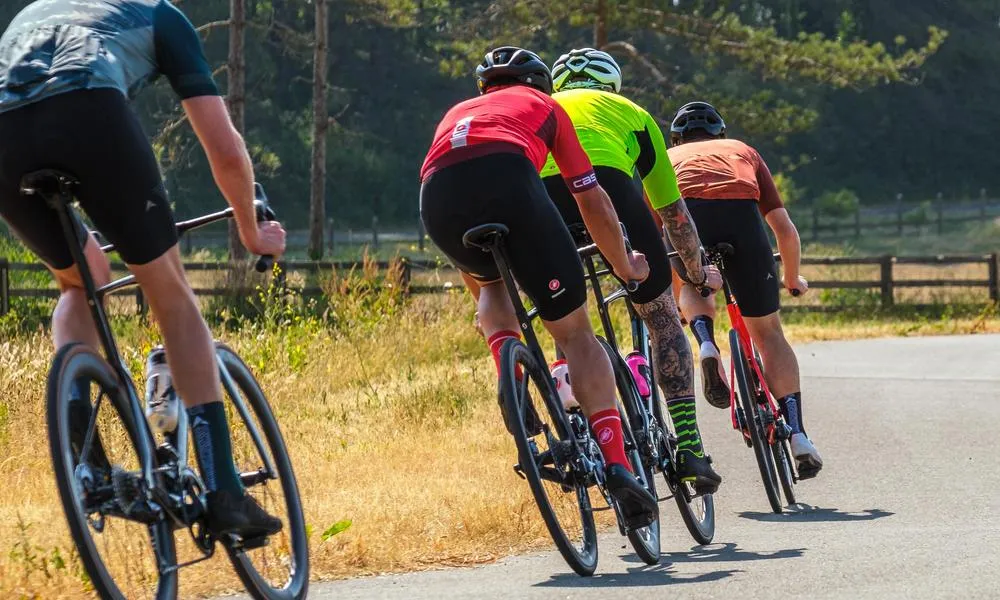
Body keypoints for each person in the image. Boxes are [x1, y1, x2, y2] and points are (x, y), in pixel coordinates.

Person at [0, 0, 287, 534]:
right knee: (170, 295)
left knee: (80, 281)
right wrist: (250, 229)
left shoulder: (31, 13)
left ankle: (88, 465)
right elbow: (225, 151)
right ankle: (224, 489)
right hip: (87, 110)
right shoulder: (159, 15)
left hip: (4, 133)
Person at [420, 46, 658, 528]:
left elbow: (471, 262)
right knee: (574, 333)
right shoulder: (548, 107)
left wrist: (498, 304)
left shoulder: (456, 112)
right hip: (509, 178)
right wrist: (626, 265)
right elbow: (590, 198)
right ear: (540, 84)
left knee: (489, 282)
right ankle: (617, 466)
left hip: (436, 195)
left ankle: (508, 367)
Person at [538, 48, 724, 492]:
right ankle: (691, 448)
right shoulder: (633, 112)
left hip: (543, 197)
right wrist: (696, 273)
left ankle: (581, 435)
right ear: (613, 85)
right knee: (661, 318)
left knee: (569, 324)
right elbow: (673, 213)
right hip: (611, 191)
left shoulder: (541, 106)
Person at [664, 101, 823, 478]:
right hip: (742, 222)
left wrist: (680, 289)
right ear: (720, 133)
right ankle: (798, 433)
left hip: (688, 215)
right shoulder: (743, 150)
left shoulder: (668, 159)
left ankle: (706, 341)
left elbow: (658, 235)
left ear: (677, 138)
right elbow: (784, 228)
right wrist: (791, 279)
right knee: (768, 334)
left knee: (693, 283)